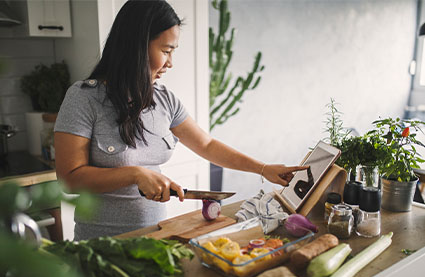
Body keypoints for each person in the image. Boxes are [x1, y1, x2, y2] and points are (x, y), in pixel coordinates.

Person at [54, 0, 308, 241]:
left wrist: (263, 169)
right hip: (101, 245)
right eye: (166, 51)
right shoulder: (83, 98)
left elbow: (206, 146)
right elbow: (69, 178)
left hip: (156, 237)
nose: (170, 63)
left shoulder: (165, 100)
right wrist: (134, 174)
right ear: (136, 46)